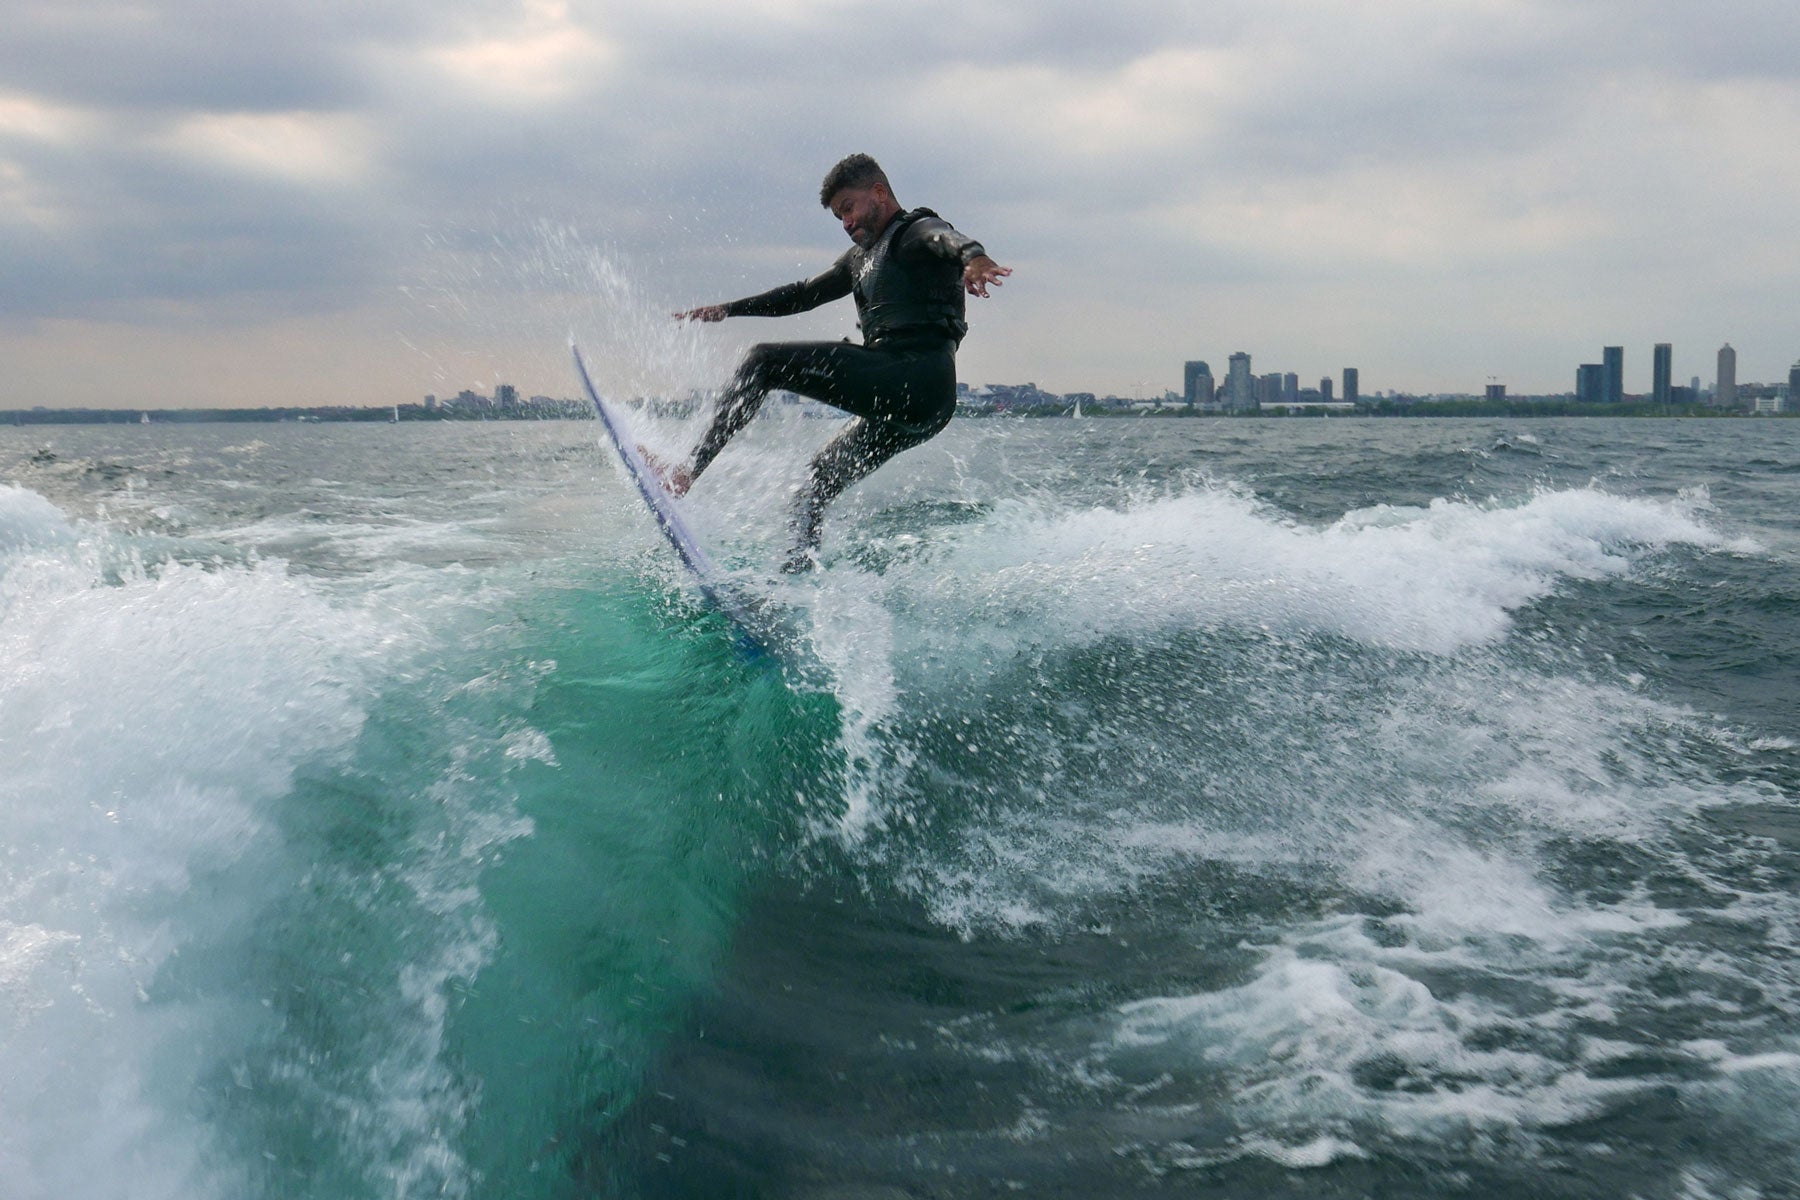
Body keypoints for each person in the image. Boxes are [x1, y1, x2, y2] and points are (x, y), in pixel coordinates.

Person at [668, 153, 1010, 572]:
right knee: (815, 482)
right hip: (920, 406)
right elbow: (800, 294)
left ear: (879, 193)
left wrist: (974, 258)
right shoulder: (859, 259)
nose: (846, 222)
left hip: (913, 376)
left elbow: (947, 238)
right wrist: (727, 310)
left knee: (762, 361)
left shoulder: (914, 232)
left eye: (848, 208)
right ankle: (797, 581)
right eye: (838, 217)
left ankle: (685, 472)